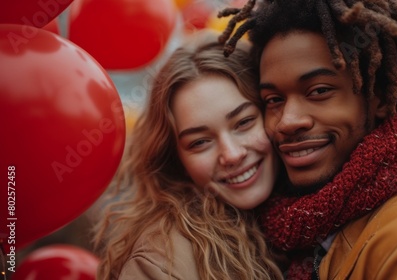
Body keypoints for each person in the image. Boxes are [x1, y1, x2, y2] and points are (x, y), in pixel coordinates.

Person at [217, 0, 397, 279]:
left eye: (319, 91)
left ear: (377, 98)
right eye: (274, 99)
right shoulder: (277, 236)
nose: (287, 121)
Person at [93, 31, 283, 280]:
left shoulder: (310, 223)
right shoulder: (162, 263)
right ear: (177, 161)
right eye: (200, 142)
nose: (232, 154)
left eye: (244, 122)